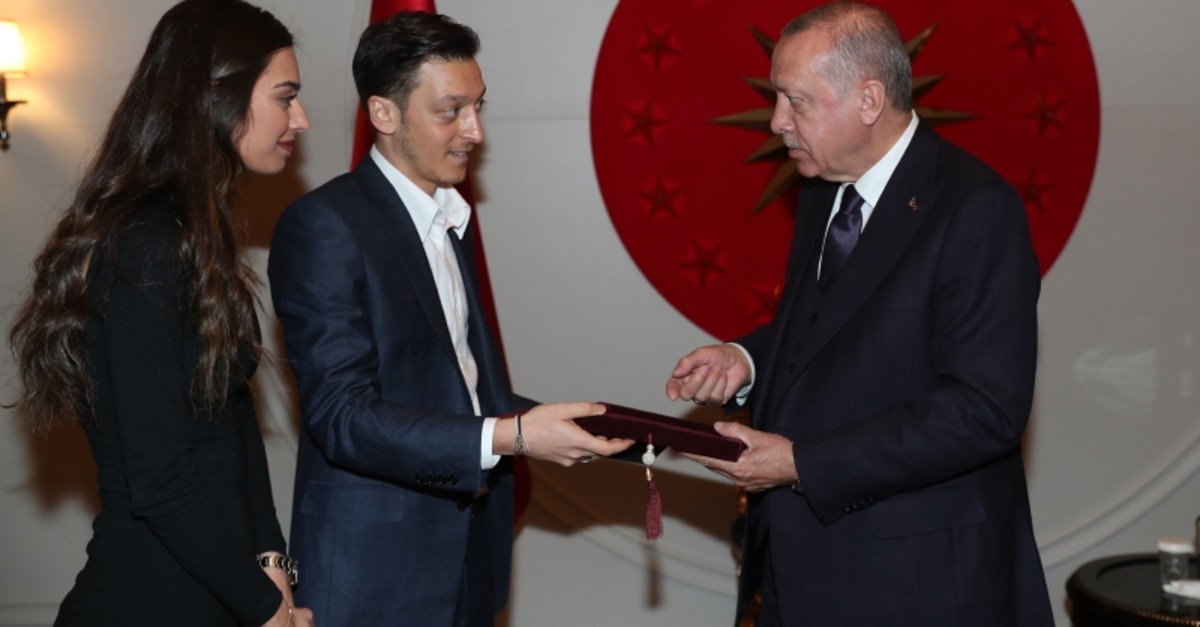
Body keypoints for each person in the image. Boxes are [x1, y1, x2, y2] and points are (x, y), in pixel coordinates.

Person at [665, 3, 1054, 625]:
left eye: (796, 101)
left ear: (868, 100)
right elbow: (833, 336)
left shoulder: (976, 209)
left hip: (918, 585)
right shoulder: (825, 191)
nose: (777, 122)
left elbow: (986, 410)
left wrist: (800, 462)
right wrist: (745, 360)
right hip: (806, 571)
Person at [267, 11, 631, 626]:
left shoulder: (445, 219)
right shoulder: (325, 225)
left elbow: (457, 389)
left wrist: (612, 429)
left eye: (479, 107)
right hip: (374, 577)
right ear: (383, 115)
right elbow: (342, 416)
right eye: (451, 111)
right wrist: (515, 436)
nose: (475, 131)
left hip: (467, 560)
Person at [6, 1, 315, 625]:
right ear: (216, 96)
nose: (301, 119)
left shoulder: (195, 237)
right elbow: (160, 476)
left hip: (222, 594)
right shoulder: (142, 243)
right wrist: (265, 610)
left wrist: (271, 562)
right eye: (286, 96)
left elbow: (234, 429)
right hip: (145, 601)